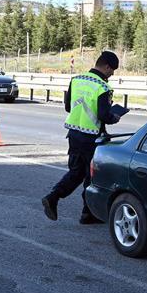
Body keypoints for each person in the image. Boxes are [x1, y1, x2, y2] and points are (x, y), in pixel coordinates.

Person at [42, 51, 126, 224]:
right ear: (107, 67)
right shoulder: (103, 87)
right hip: (92, 138)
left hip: (74, 135)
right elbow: (103, 115)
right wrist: (114, 117)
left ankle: (53, 197)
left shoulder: (76, 80)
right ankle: (88, 213)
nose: (112, 74)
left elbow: (67, 107)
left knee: (76, 172)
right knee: (91, 176)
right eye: (113, 70)